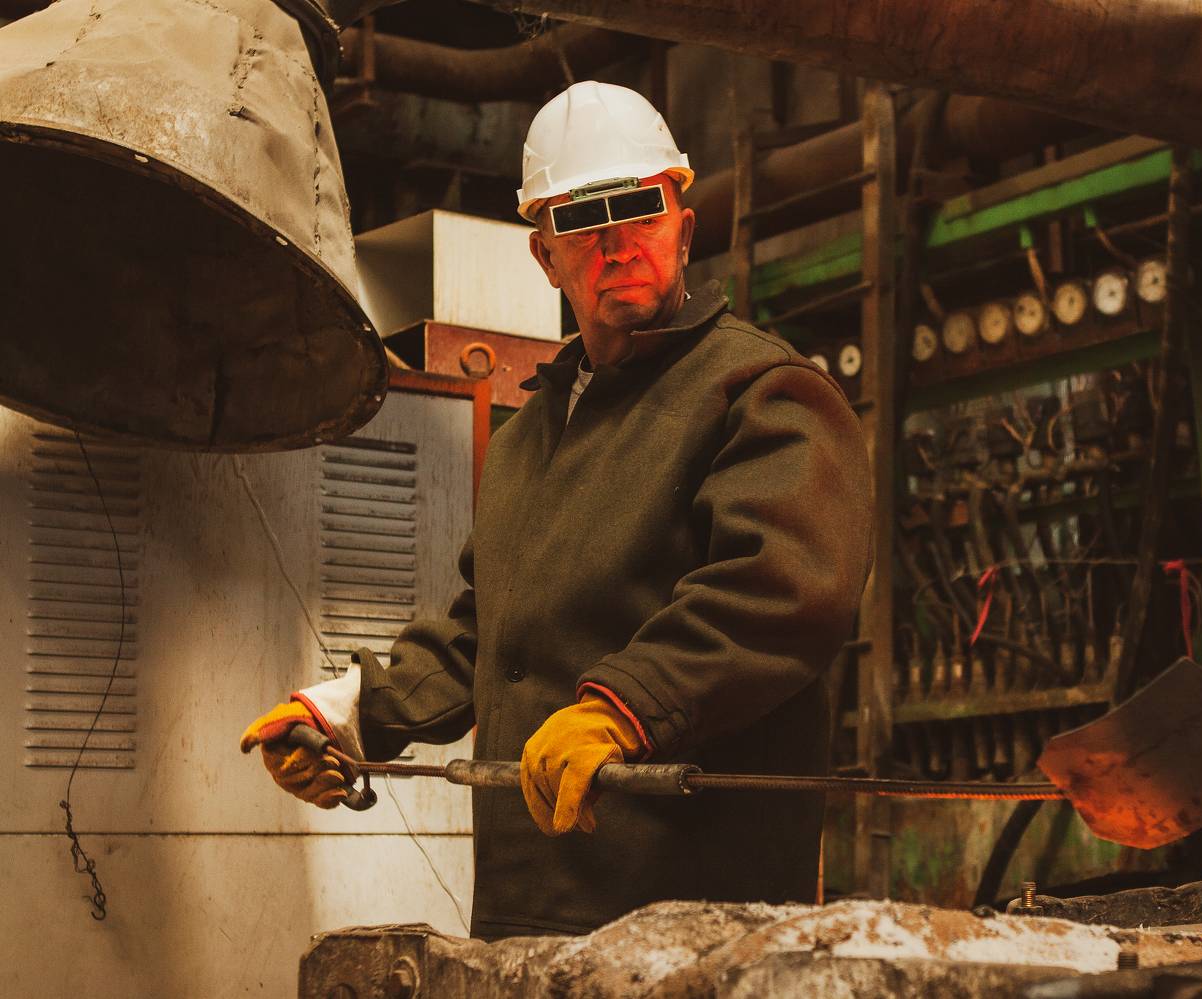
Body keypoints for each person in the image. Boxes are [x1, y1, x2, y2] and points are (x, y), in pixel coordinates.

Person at [240, 81, 873, 940]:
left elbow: (784, 590)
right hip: (526, 911)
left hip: (693, 925)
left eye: (639, 208)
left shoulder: (763, 394)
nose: (616, 243)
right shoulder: (532, 431)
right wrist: (349, 710)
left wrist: (625, 706)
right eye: (582, 220)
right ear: (545, 256)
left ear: (684, 227)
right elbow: (490, 635)